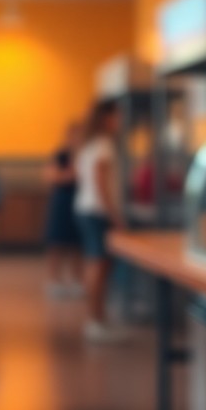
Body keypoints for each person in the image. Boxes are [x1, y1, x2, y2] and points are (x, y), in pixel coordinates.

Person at [75, 101, 128, 343]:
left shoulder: (89, 145)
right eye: (116, 116)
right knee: (99, 267)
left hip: (86, 208)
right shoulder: (104, 146)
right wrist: (114, 214)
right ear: (106, 118)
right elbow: (101, 183)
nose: (120, 121)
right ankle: (95, 320)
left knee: (94, 264)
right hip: (97, 212)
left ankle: (97, 318)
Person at [43, 121, 84, 298]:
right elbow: (52, 175)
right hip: (62, 202)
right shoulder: (61, 154)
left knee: (77, 245)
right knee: (57, 243)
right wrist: (70, 175)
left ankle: (76, 280)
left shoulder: (83, 155)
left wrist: (70, 175)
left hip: (79, 203)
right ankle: (54, 280)